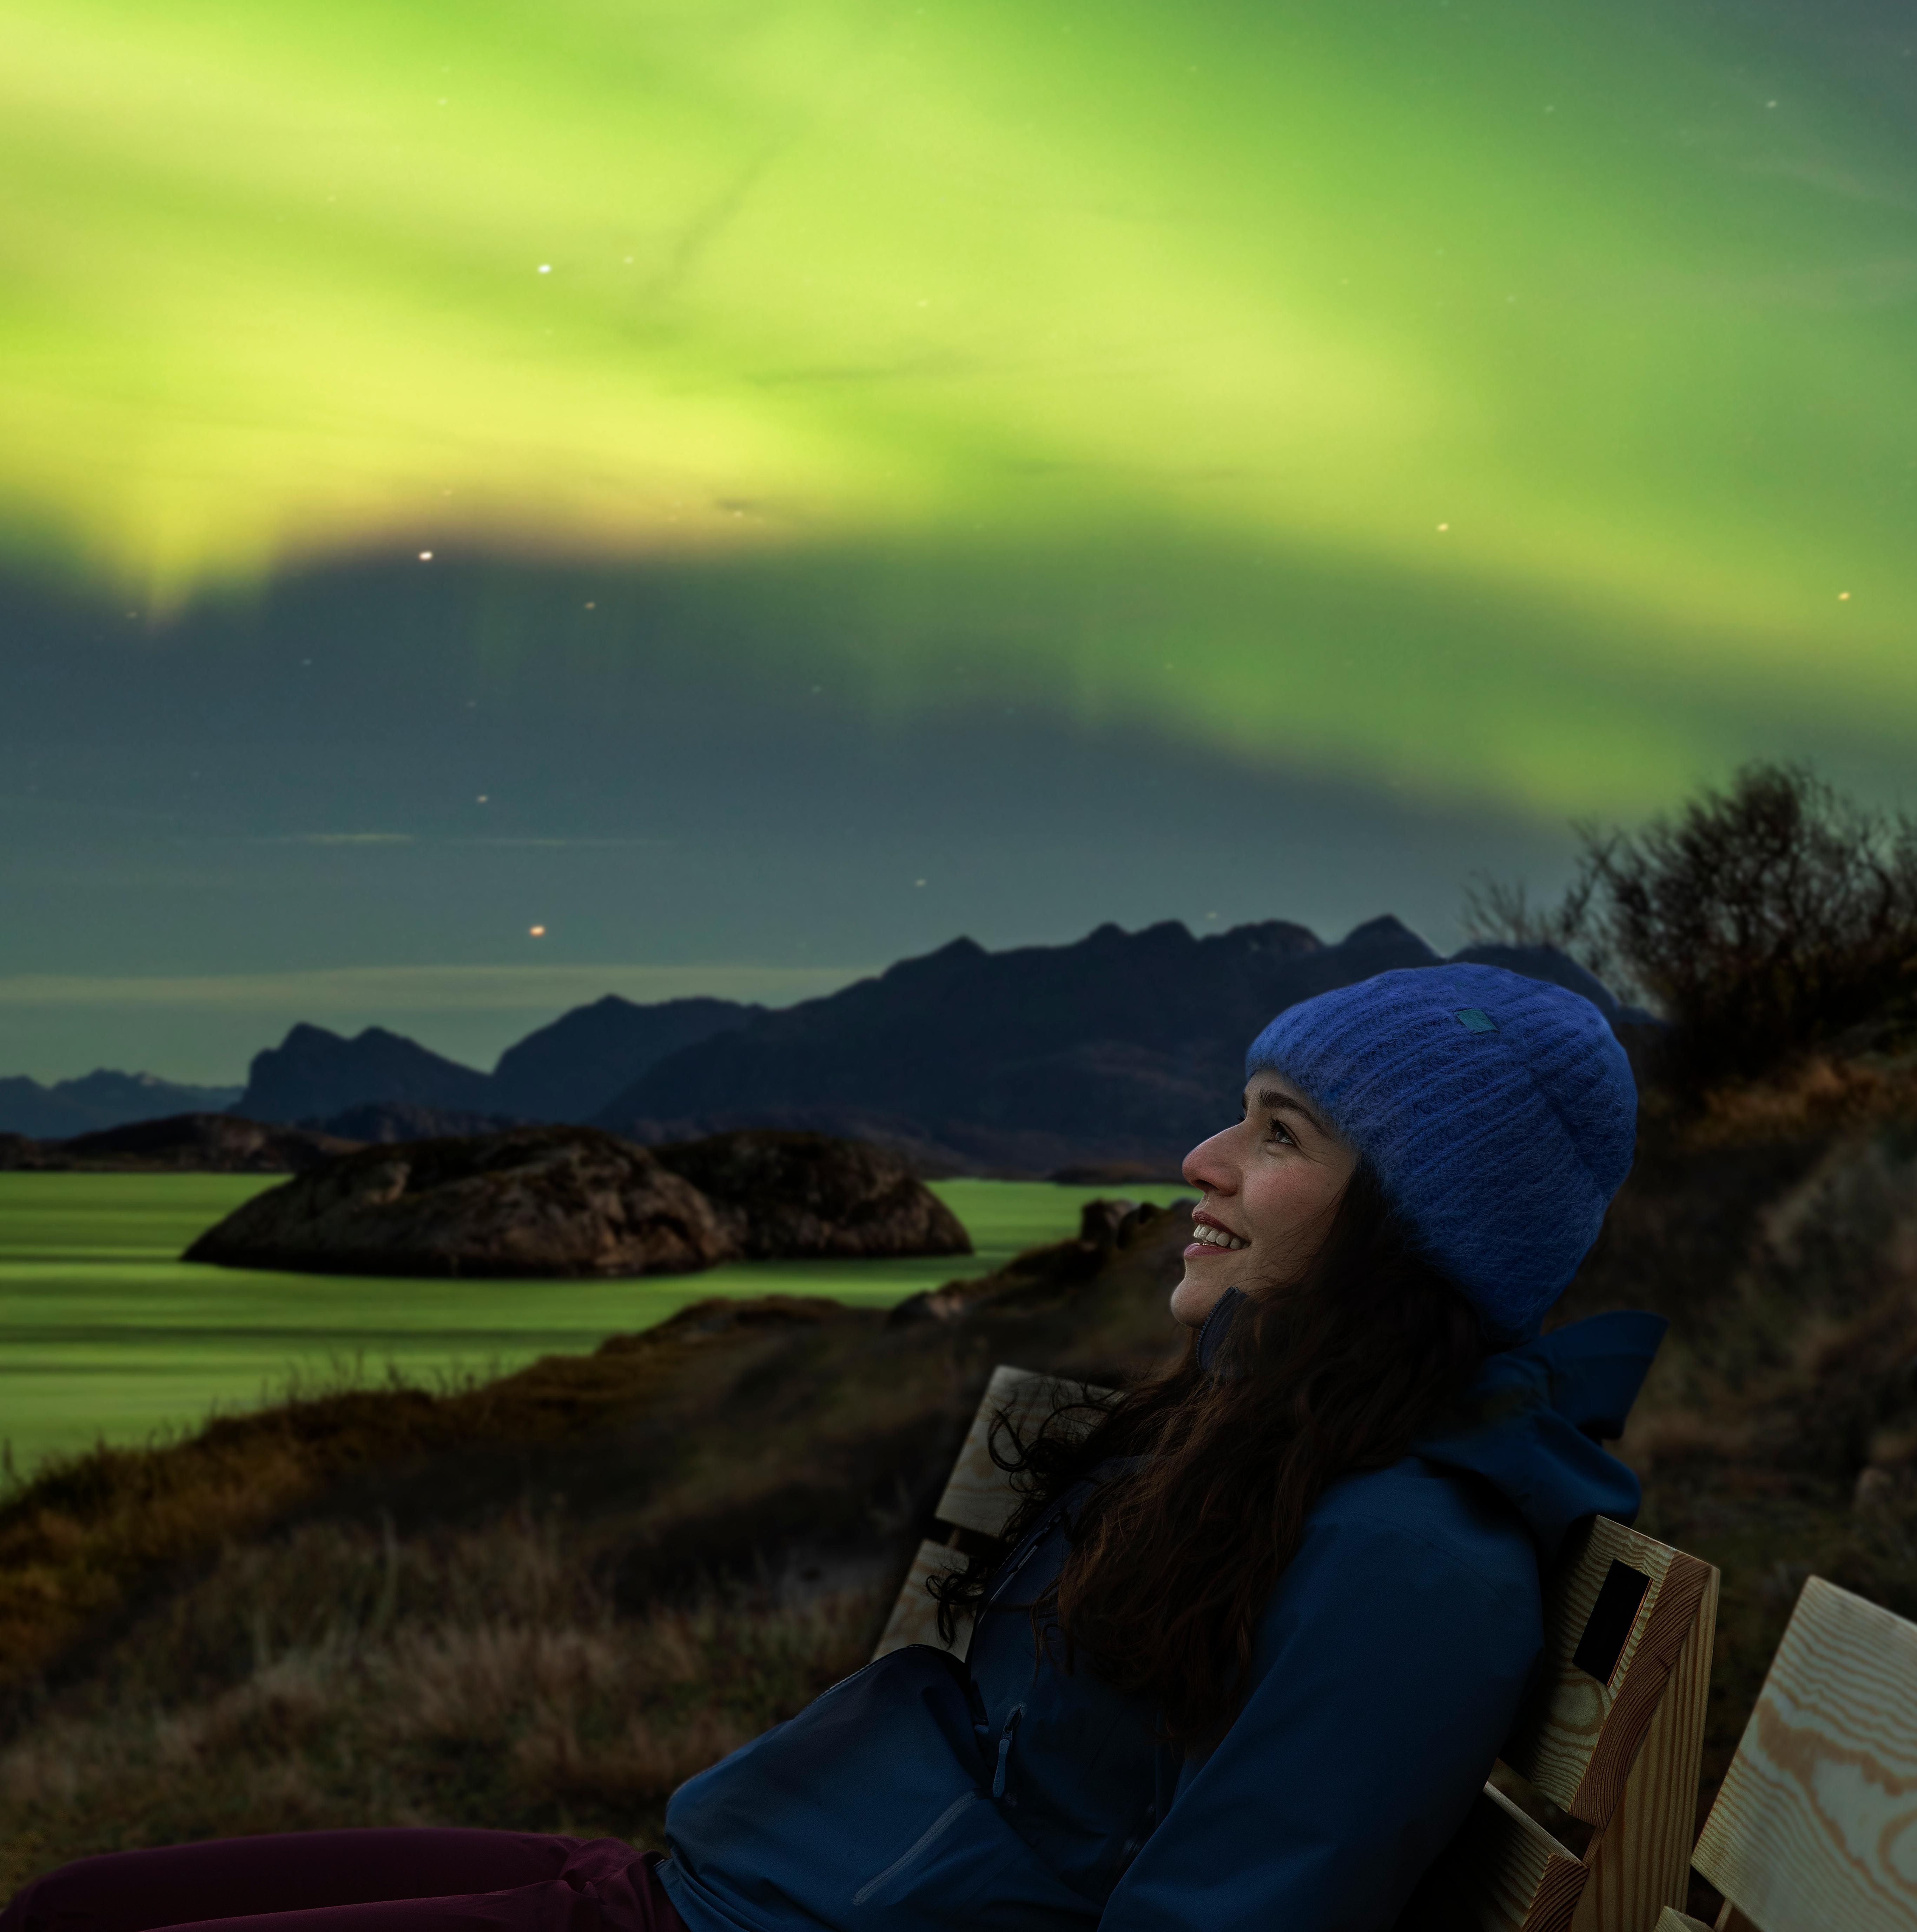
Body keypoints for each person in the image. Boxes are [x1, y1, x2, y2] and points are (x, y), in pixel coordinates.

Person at [2, 962, 1660, 1932]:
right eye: (1239, 1106)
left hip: (740, 1919)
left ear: (1411, 1226)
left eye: (1279, 1134)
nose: (1201, 1155)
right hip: (708, 1883)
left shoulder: (1410, 1558)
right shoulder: (1265, 1441)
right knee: (77, 1903)